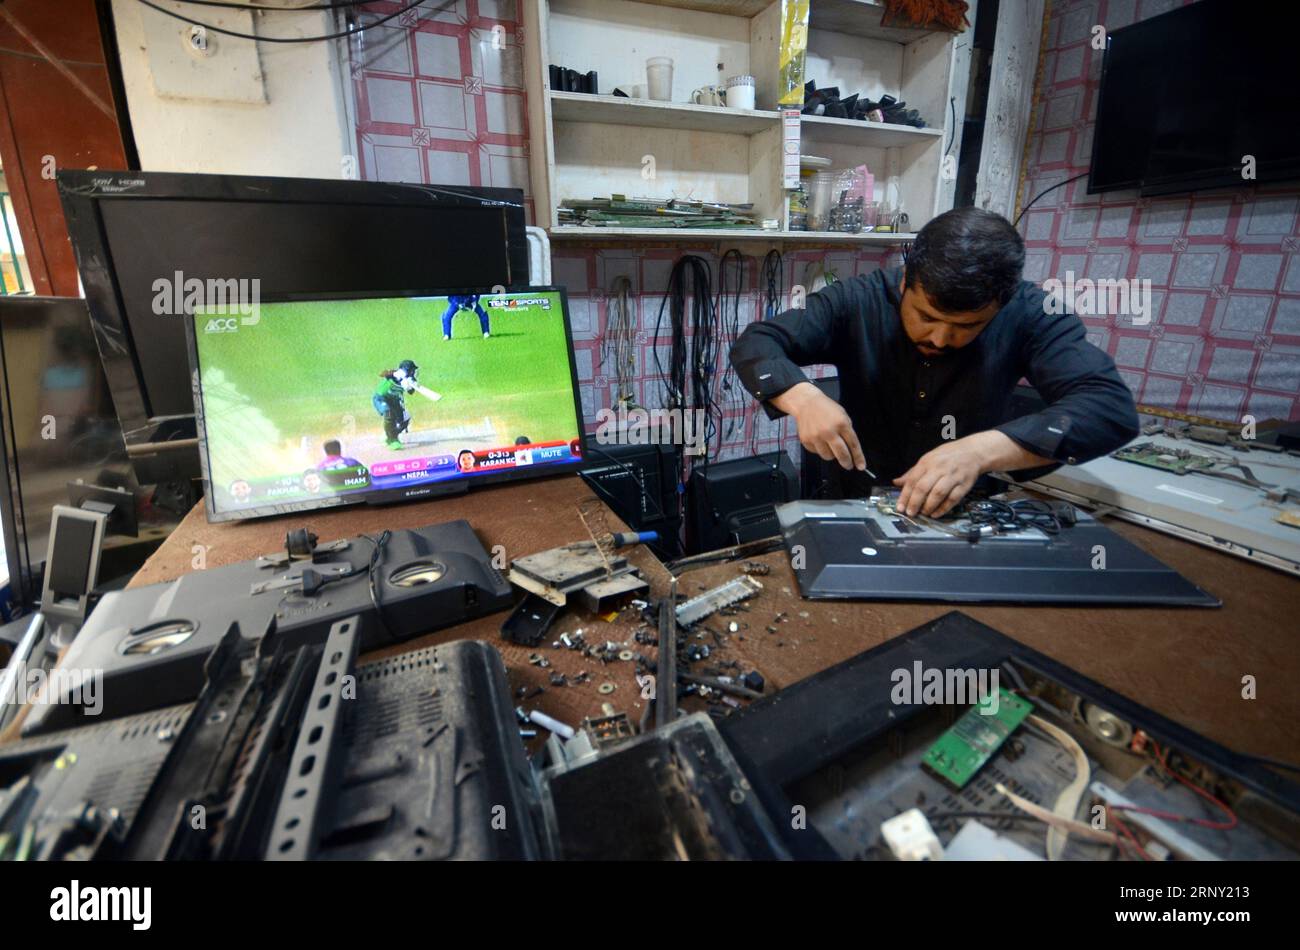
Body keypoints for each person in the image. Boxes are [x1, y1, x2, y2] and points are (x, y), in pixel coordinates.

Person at [729, 207, 1139, 518]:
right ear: (906, 281)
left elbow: (1109, 409)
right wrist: (803, 398)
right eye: (925, 316)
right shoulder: (858, 299)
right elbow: (759, 341)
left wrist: (981, 451)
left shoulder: (1034, 313)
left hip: (969, 507)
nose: (940, 338)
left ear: (1003, 303)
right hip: (857, 497)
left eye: (968, 326)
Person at [373, 360, 420, 450]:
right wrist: (395, 375)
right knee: (389, 414)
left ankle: (389, 435)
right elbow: (383, 374)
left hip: (394, 400)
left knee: (404, 420)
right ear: (407, 370)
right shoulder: (395, 375)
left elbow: (411, 391)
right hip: (381, 398)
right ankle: (392, 440)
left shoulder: (409, 380)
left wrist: (411, 384)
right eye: (412, 370)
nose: (413, 372)